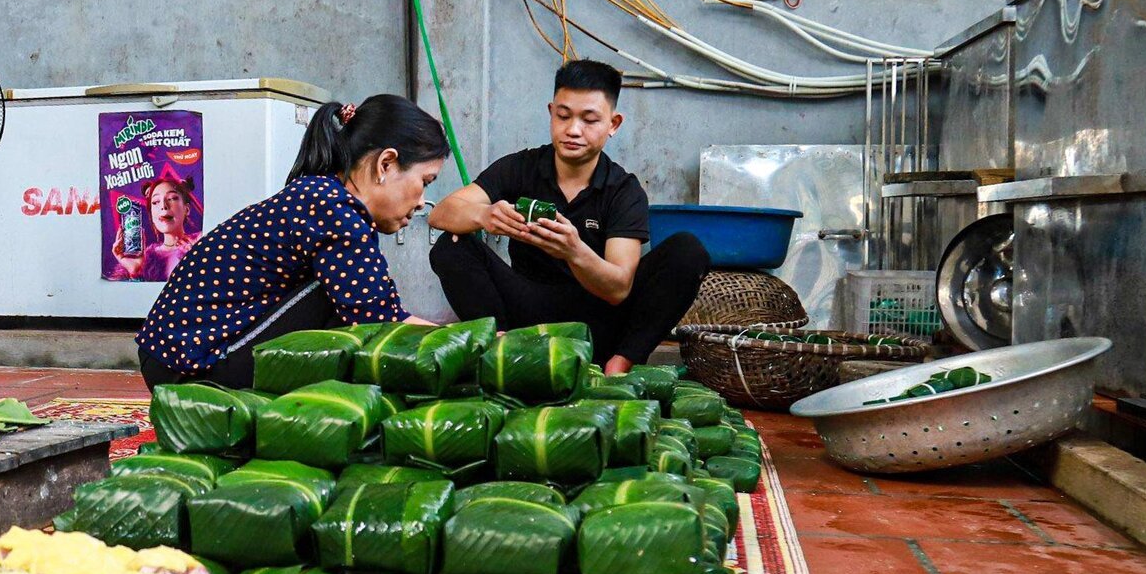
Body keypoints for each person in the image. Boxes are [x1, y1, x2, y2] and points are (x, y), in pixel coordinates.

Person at [135, 95, 442, 389]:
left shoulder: (320, 194)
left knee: (347, 295)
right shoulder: (334, 208)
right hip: (189, 366)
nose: (421, 203)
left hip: (175, 358)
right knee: (342, 303)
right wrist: (466, 344)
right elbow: (379, 318)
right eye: (424, 182)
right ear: (385, 164)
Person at [427, 58, 707, 375]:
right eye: (563, 116)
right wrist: (484, 215)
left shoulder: (623, 191)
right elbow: (441, 213)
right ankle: (502, 351)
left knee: (687, 251)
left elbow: (617, 289)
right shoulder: (520, 167)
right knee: (451, 245)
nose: (573, 130)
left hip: (598, 322)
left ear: (613, 124)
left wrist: (575, 251)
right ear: (551, 113)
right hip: (527, 313)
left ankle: (620, 364)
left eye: (589, 120)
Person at [109, 167, 202, 282]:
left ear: (186, 209)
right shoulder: (148, 258)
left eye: (172, 198)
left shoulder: (202, 243)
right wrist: (134, 272)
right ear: (152, 214)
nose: (163, 205)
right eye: (155, 202)